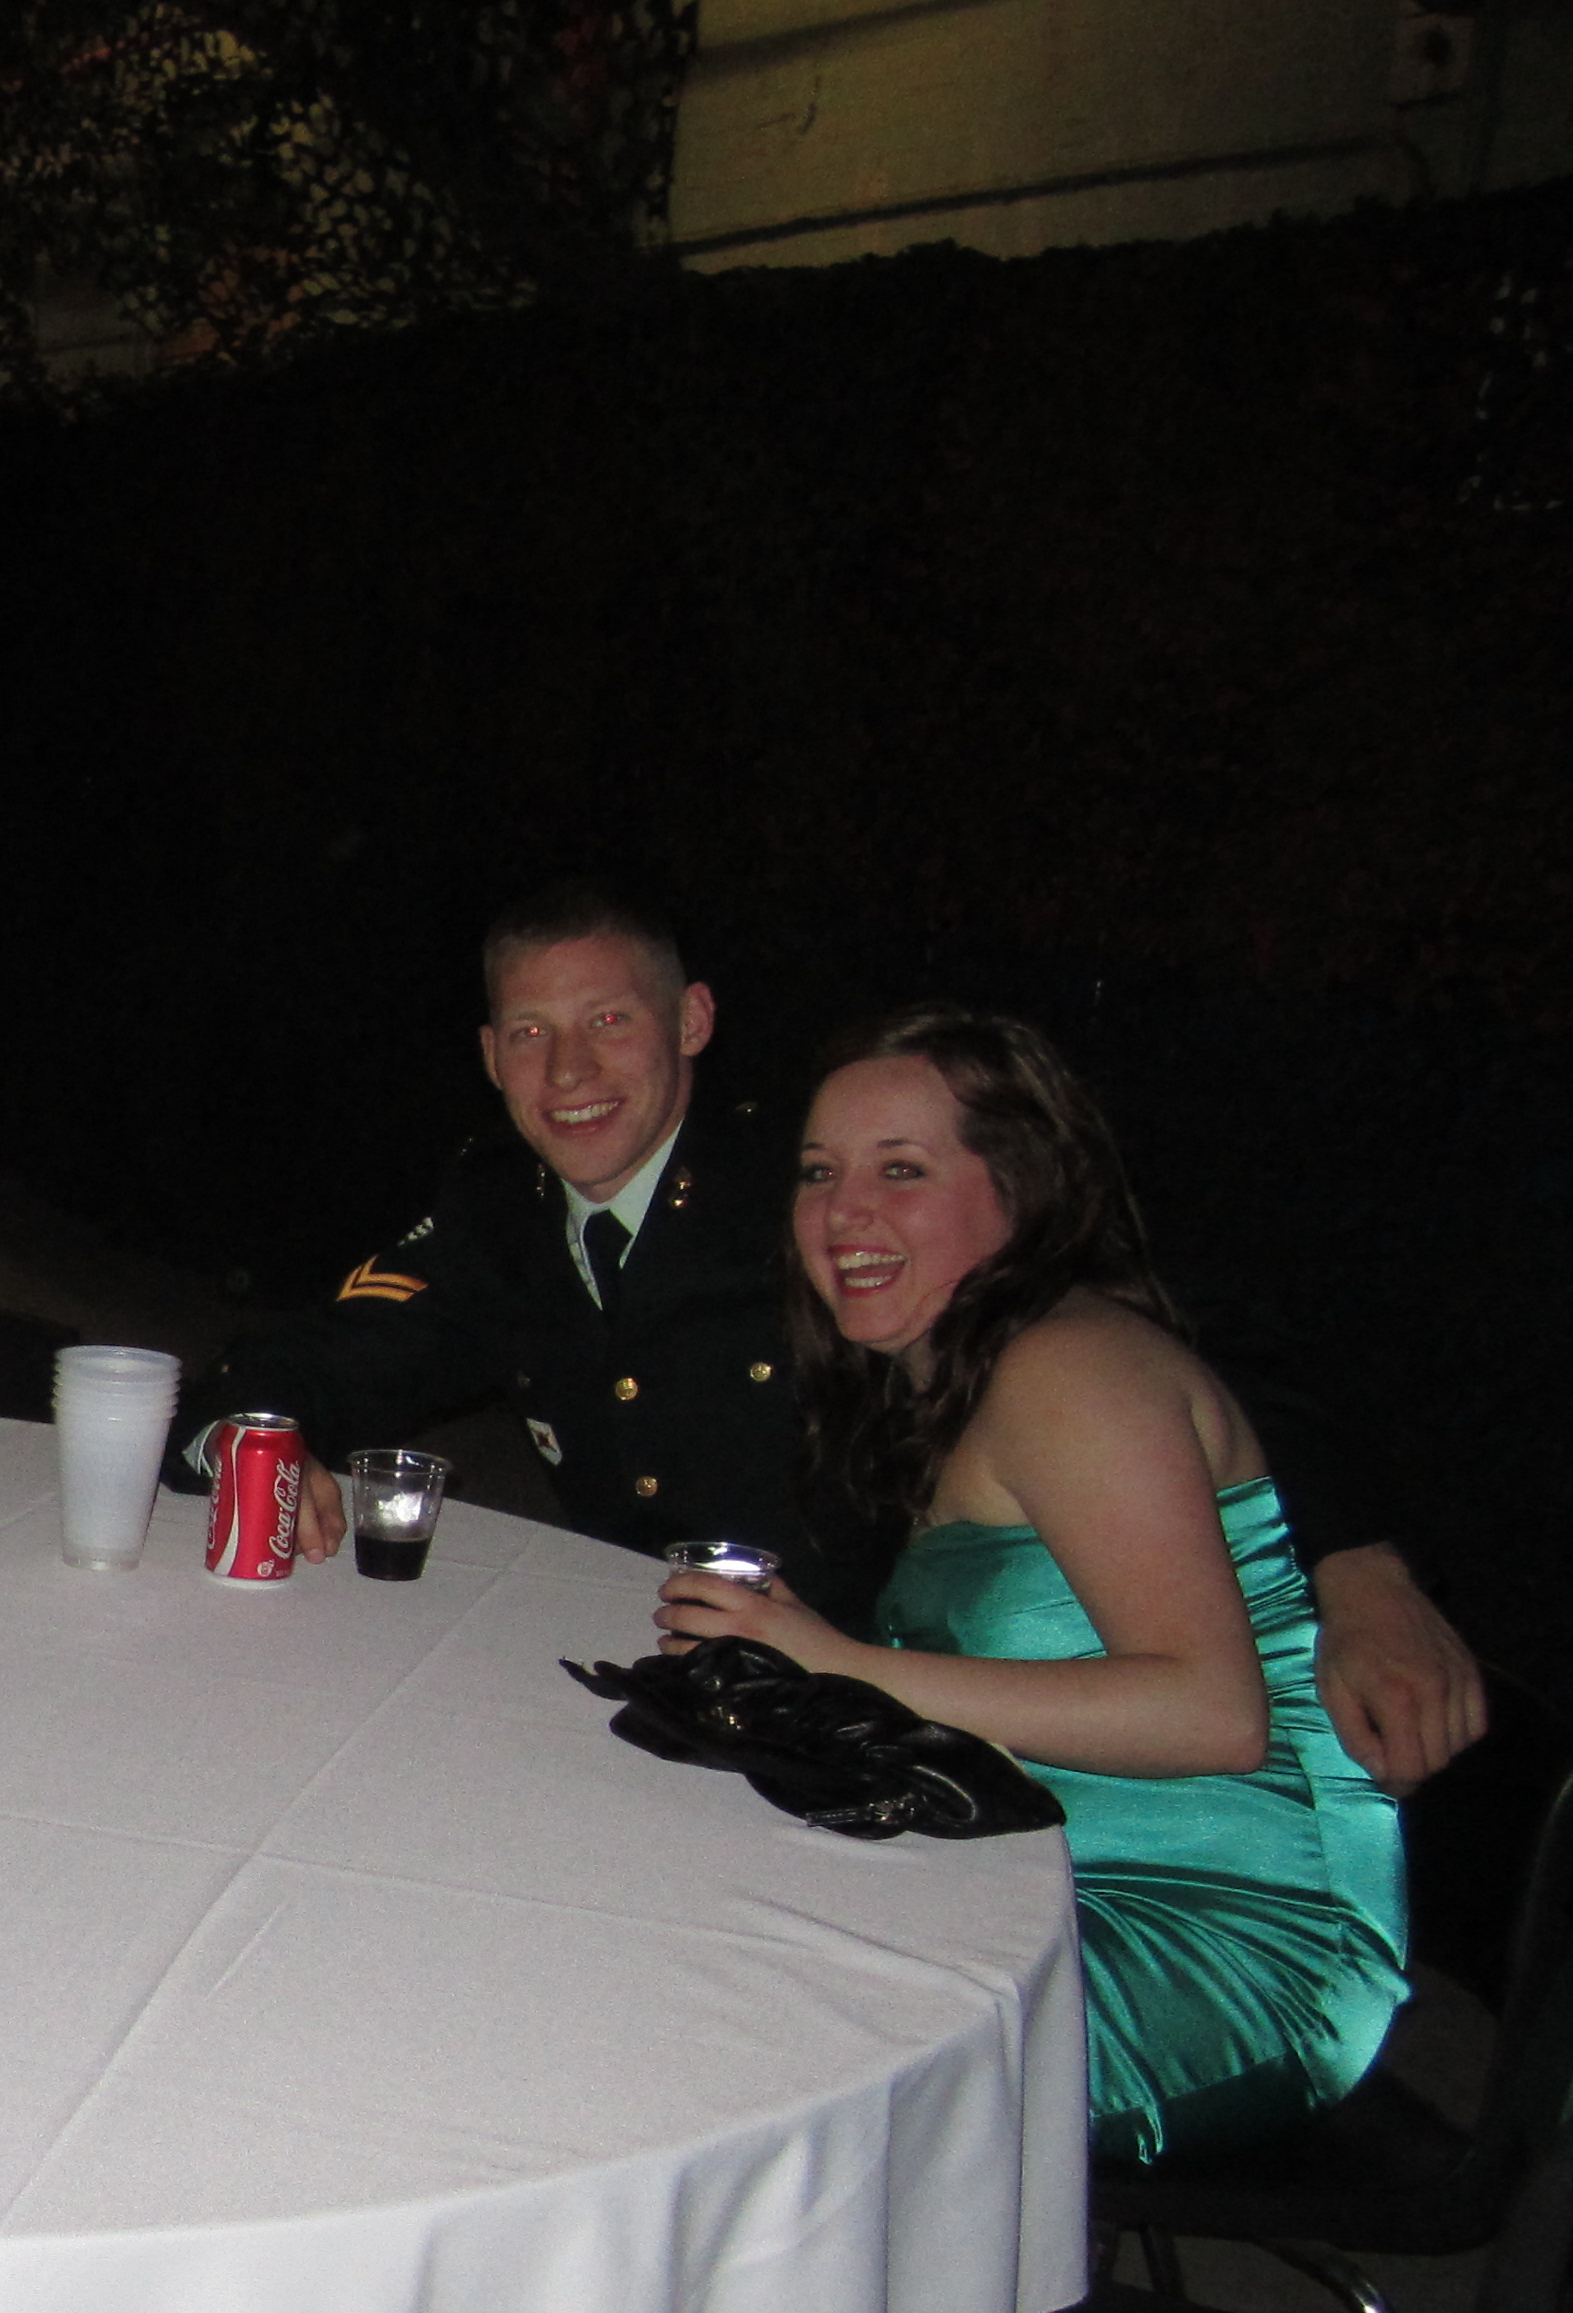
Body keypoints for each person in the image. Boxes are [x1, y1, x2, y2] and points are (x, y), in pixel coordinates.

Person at [173, 882, 1487, 1792]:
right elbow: (322, 1350)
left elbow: (1165, 1327)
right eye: (531, 1033)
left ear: (692, 1022)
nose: (568, 1072)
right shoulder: (496, 1216)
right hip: (653, 1696)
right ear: (489, 1055)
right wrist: (252, 1434)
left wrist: (1360, 1563)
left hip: (879, 1721)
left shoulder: (819, 1187)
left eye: (608, 1021)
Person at [654, 1007, 1407, 2165]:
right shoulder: (946, 1374)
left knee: (765, 2071)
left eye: (902, 1170)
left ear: (1020, 1189)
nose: (845, 1213)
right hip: (1031, 1868)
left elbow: (1216, 1715)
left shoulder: (1069, 1370)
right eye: (820, 1172)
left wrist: (839, 1664)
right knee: (686, 1919)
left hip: (1232, 1938)